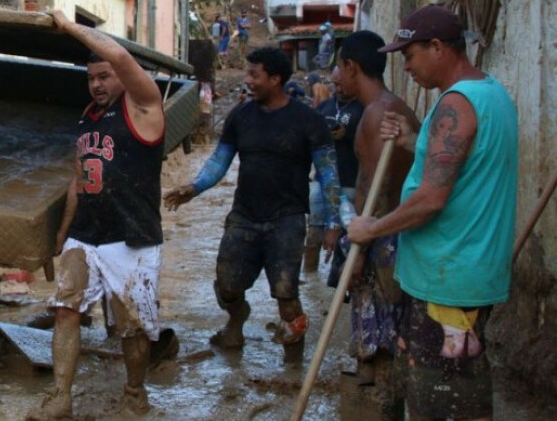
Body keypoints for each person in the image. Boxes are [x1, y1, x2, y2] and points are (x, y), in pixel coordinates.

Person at [348, 5, 517, 421]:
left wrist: (373, 228)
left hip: (447, 281)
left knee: (439, 402)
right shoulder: (491, 93)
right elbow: (463, 164)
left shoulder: (455, 104)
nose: (405, 67)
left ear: (438, 47)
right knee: (456, 395)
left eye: (410, 55)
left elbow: (430, 199)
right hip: (463, 274)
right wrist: (413, 140)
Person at [27, 11, 167, 419]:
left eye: (104, 76)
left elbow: (121, 57)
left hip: (132, 235)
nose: (97, 84)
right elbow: (79, 178)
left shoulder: (144, 106)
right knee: (65, 309)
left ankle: (134, 392)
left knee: (132, 325)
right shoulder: (87, 118)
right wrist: (62, 233)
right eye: (91, 78)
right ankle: (60, 396)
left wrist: (68, 26)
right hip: (86, 234)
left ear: (123, 75)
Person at [164, 48, 343, 350]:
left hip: (287, 220)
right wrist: (194, 188)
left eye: (254, 75)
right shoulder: (240, 116)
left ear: (275, 79)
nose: (247, 80)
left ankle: (292, 363)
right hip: (244, 217)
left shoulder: (308, 120)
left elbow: (328, 175)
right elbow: (219, 161)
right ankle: (236, 323)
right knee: (227, 286)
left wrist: (333, 223)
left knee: (287, 296)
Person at [333, 30, 419, 419]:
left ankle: (382, 410)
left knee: (381, 339)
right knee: (390, 337)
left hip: (382, 239)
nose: (336, 76)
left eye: (339, 67)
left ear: (352, 67)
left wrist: (359, 252)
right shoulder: (397, 108)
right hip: (399, 236)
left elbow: (374, 193)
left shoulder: (376, 114)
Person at [304, 66, 362, 272]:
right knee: (313, 232)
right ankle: (309, 277)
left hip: (351, 181)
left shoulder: (364, 108)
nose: (338, 89)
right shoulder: (325, 107)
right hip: (321, 181)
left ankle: (347, 276)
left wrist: (348, 135)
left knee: (350, 235)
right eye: (335, 84)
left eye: (342, 84)